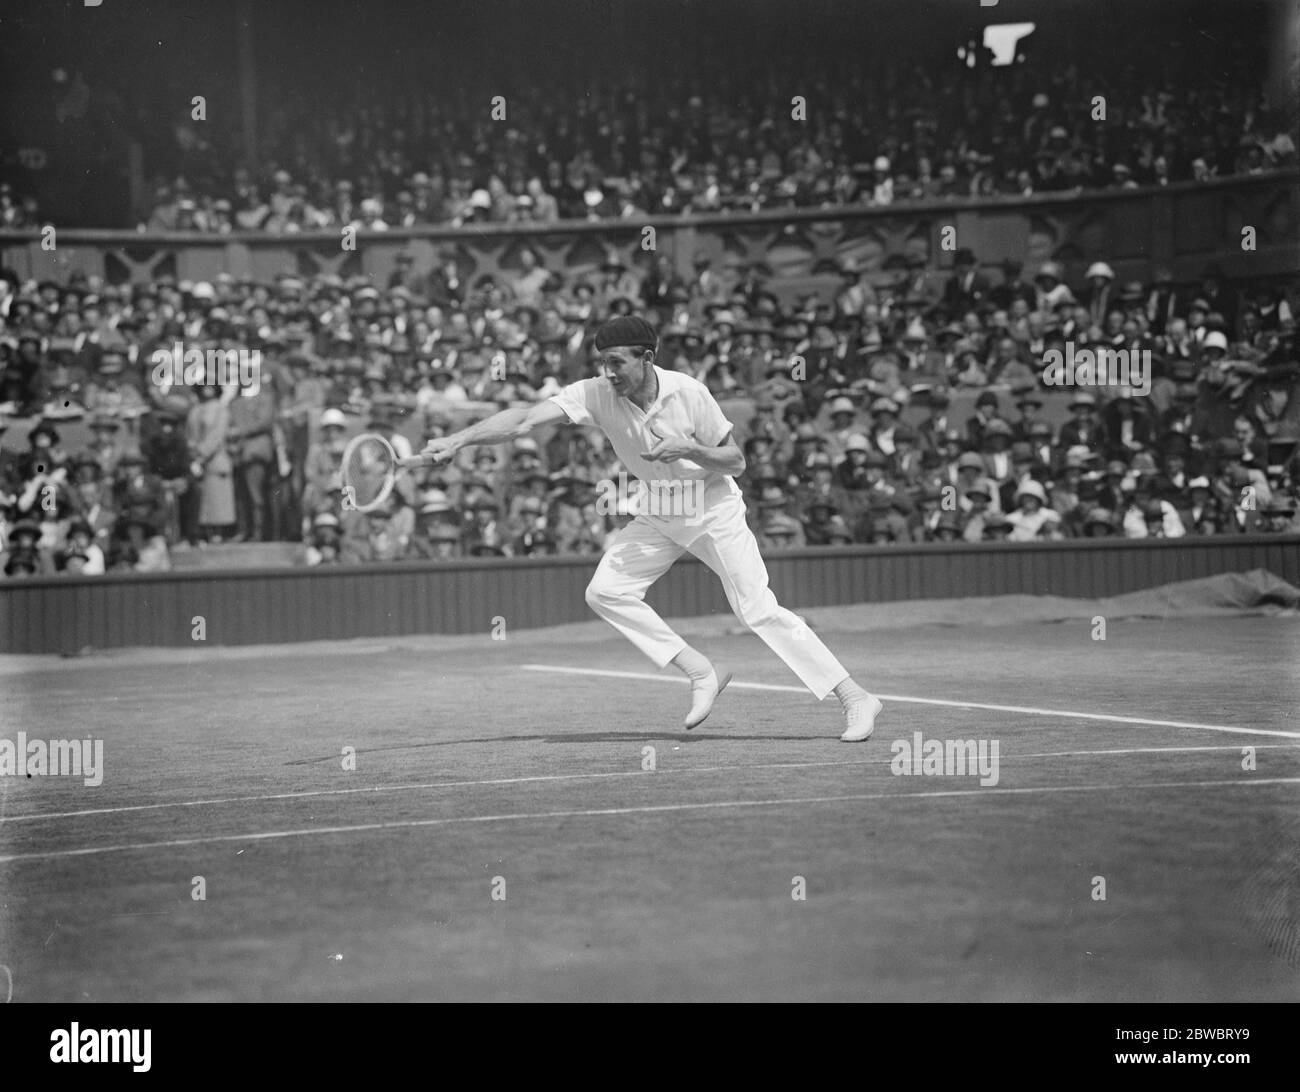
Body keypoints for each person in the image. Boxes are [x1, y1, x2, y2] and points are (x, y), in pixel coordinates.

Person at [408, 315, 884, 741]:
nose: (608, 372)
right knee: (605, 591)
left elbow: (736, 461)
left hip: (714, 508)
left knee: (757, 610)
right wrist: (460, 438)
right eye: (603, 363)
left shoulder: (690, 392)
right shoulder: (595, 392)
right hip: (658, 507)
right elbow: (525, 419)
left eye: (617, 363)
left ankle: (854, 697)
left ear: (647, 358)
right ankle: (701, 670)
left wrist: (689, 449)